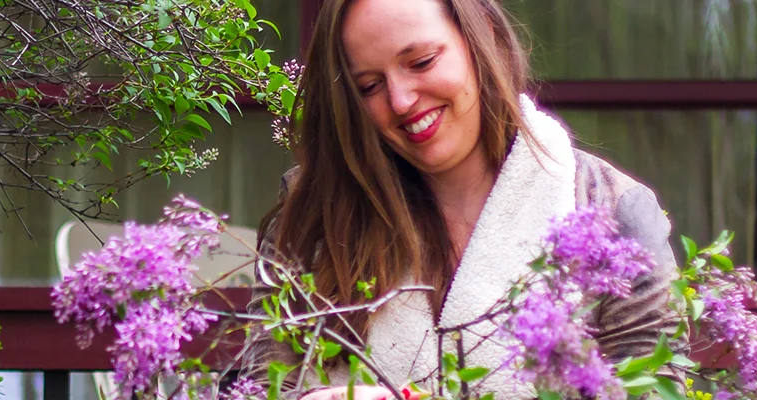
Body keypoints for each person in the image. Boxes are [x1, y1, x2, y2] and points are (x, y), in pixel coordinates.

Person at [252, 0, 680, 398]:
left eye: (421, 62)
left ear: (484, 37)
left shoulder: (612, 212)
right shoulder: (310, 216)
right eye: (368, 86)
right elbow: (264, 386)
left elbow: (650, 386)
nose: (400, 101)